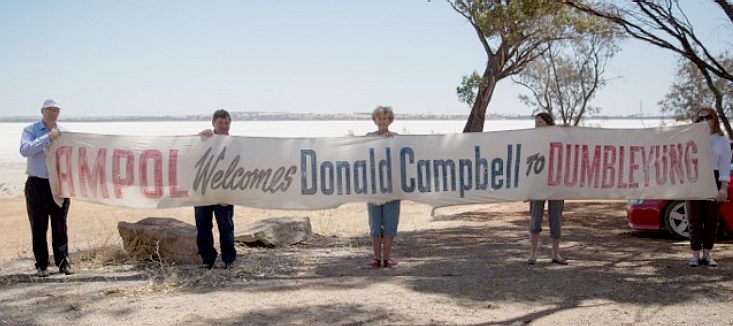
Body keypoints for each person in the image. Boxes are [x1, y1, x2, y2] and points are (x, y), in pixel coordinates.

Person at [19, 99, 73, 277]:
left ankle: (63, 262)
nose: (52, 113)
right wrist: (47, 138)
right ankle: (41, 265)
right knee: (38, 226)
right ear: (42, 111)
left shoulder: (65, 132)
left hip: (58, 184)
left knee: (60, 224)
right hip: (37, 184)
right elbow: (25, 150)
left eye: (56, 110)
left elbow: (74, 153)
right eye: (49, 110)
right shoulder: (31, 130)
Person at [687, 107, 730, 267]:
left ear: (714, 119)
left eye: (708, 117)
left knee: (711, 220)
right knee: (694, 219)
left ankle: (707, 254)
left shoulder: (721, 140)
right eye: (700, 119)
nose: (704, 121)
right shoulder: (690, 139)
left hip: (714, 179)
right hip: (694, 180)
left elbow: (725, 165)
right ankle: (695, 254)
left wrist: (723, 187)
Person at [195, 109, 236, 269]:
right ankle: (207, 259)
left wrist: (230, 194)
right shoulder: (205, 138)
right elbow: (189, 148)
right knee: (203, 227)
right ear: (213, 123)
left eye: (227, 122)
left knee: (226, 227)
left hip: (224, 192)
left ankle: (229, 259)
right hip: (202, 191)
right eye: (220, 122)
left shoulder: (234, 142)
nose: (224, 126)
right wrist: (200, 134)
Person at [528, 112, 567, 265]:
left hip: (555, 185)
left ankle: (555, 254)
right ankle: (532, 254)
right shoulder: (531, 140)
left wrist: (565, 130)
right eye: (535, 123)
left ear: (548, 124)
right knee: (535, 220)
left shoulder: (558, 138)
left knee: (556, 219)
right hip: (537, 184)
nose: (537, 126)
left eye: (540, 123)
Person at [366, 106, 401, 269]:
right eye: (379, 118)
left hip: (392, 188)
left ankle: (387, 258)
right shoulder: (367, 138)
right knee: (375, 225)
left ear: (390, 120)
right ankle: (375, 257)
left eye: (385, 118)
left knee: (390, 224)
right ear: (375, 120)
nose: (382, 121)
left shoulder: (397, 138)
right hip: (373, 189)